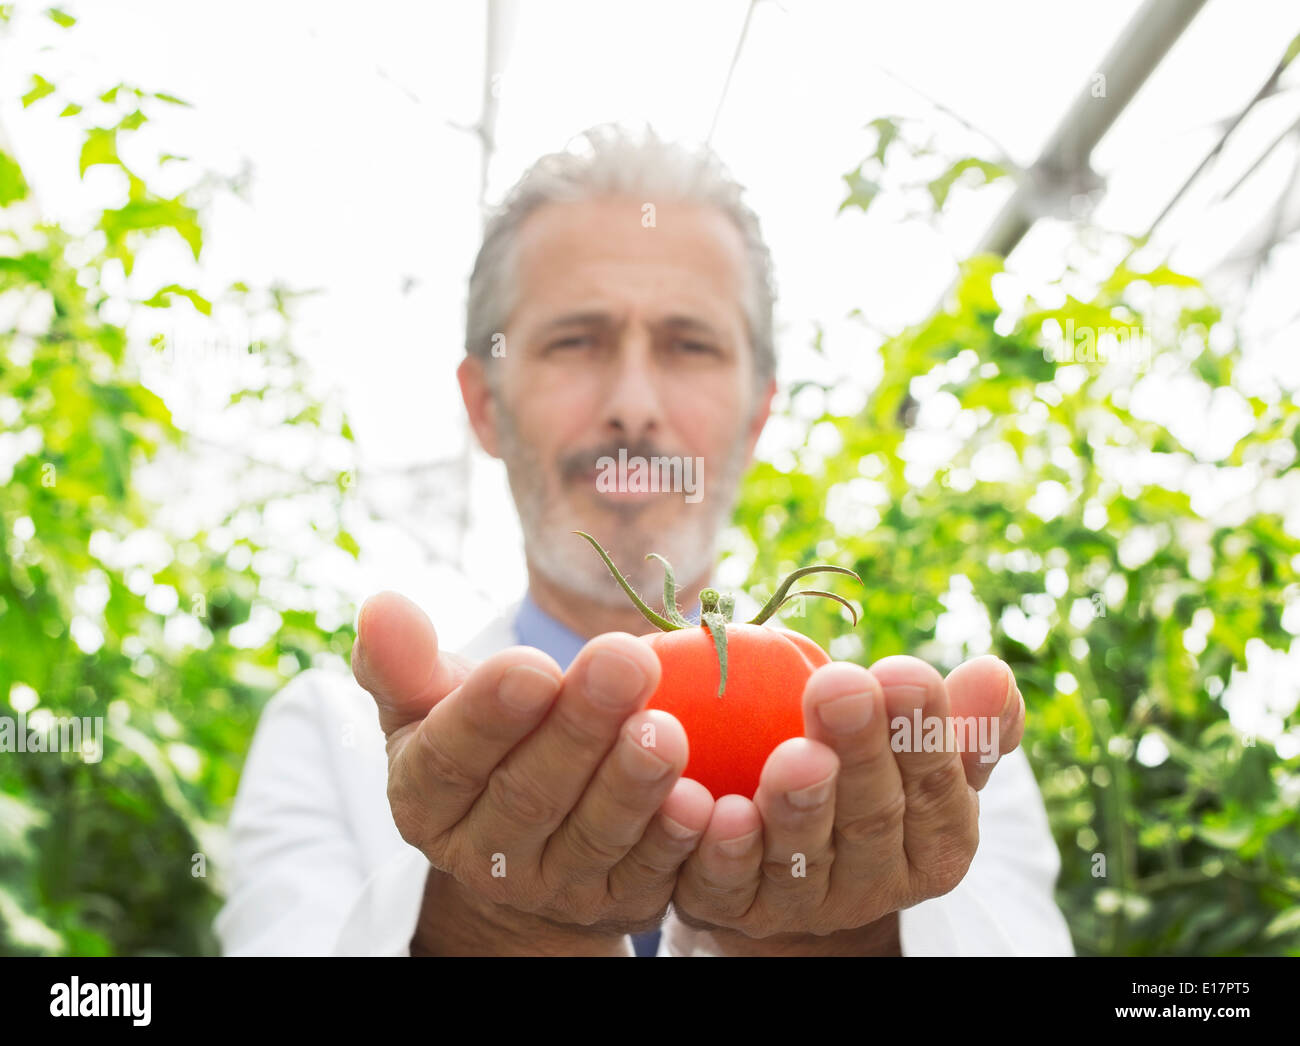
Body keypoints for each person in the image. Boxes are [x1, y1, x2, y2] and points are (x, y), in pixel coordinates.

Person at [215, 125, 1074, 957]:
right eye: (575, 341)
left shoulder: (926, 751)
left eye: (688, 345)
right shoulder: (330, 735)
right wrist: (481, 933)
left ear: (756, 415)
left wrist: (861, 940)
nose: (633, 402)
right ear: (485, 405)